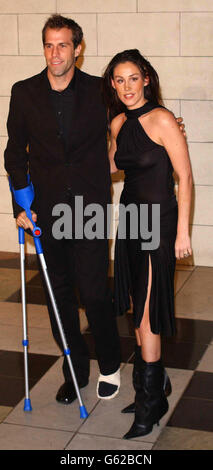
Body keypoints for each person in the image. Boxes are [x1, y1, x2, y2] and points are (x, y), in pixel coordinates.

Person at [4, 14, 121, 404]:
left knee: (94, 291)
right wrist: (21, 205)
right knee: (59, 296)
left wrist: (167, 125)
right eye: (49, 45)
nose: (55, 53)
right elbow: (14, 153)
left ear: (78, 49)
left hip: (89, 207)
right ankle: (76, 368)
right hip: (45, 211)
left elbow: (132, 120)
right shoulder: (24, 92)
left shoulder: (100, 91)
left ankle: (109, 365)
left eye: (63, 45)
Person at [102, 49, 192, 439]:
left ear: (147, 80)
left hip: (160, 223)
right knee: (137, 305)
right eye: (119, 80)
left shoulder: (163, 119)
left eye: (133, 78)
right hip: (132, 222)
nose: (127, 87)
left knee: (148, 313)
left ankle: (150, 403)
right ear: (113, 84)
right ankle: (155, 385)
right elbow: (106, 167)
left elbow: (185, 179)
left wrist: (183, 231)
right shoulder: (120, 123)